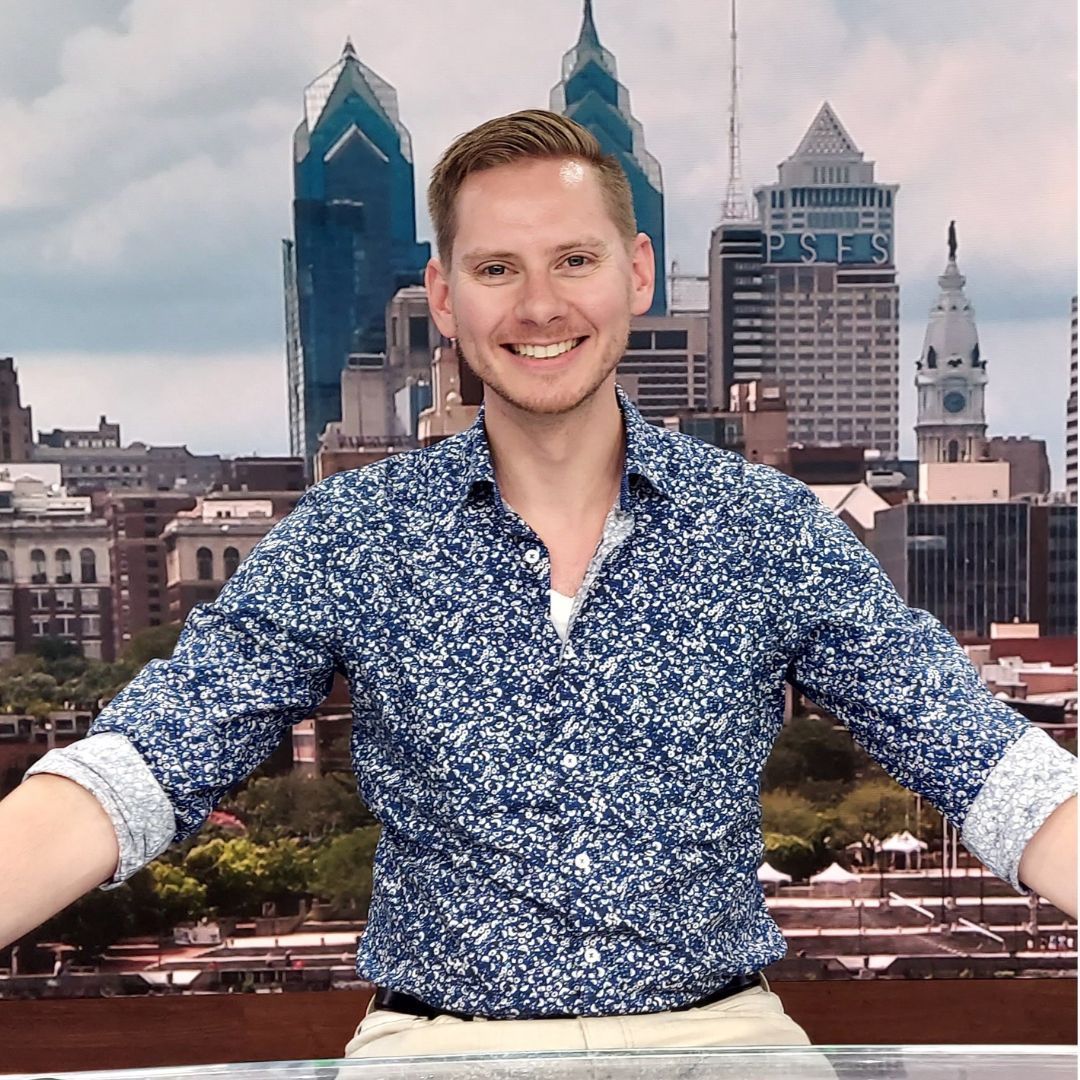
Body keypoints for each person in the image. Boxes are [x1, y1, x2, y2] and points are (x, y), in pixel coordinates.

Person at [0, 110, 1076, 1062]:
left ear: (638, 274)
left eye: (573, 259)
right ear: (444, 294)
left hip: (716, 1035)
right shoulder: (356, 533)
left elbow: (985, 766)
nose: (540, 305)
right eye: (497, 268)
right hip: (436, 1044)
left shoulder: (767, 530)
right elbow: (143, 764)